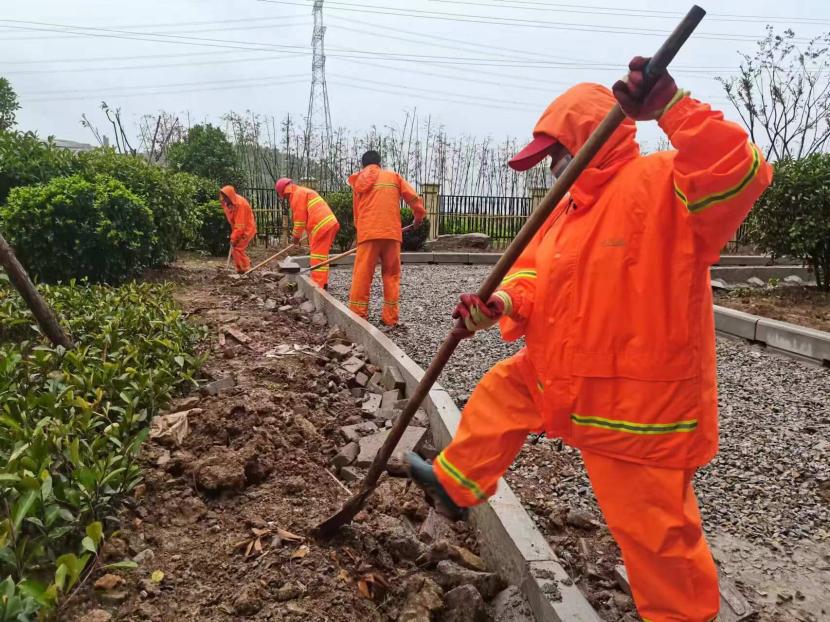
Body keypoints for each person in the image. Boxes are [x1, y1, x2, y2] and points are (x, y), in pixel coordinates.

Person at [405, 58, 773, 622]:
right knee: (503, 389)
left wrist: (673, 108)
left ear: (587, 140)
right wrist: (500, 303)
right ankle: (458, 483)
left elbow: (736, 171)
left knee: (654, 535)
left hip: (637, 405)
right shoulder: (565, 214)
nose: (551, 170)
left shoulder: (662, 185)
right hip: (561, 373)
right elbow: (530, 276)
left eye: (556, 155)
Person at [347, 150, 426, 326]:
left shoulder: (358, 181)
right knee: (391, 275)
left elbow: (356, 214)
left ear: (363, 165)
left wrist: (362, 232)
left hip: (368, 234)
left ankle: (357, 316)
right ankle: (390, 318)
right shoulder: (393, 177)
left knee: (362, 274)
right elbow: (413, 198)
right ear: (379, 164)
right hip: (391, 234)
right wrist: (418, 216)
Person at [275, 178, 339, 289]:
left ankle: (318, 287)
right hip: (328, 224)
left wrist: (295, 237)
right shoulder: (303, 192)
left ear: (284, 192)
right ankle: (323, 283)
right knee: (322, 256)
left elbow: (300, 220)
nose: (285, 199)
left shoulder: (297, 196)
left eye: (283, 196)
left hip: (321, 227)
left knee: (317, 257)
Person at [220, 185, 257, 274]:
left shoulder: (240, 205)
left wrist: (234, 237)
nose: (223, 199)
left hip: (246, 230)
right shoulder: (227, 203)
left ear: (230, 196)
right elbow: (233, 220)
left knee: (238, 248)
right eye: (223, 196)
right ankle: (240, 269)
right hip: (238, 229)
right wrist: (234, 234)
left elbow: (240, 225)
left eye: (225, 197)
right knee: (235, 248)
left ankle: (246, 269)